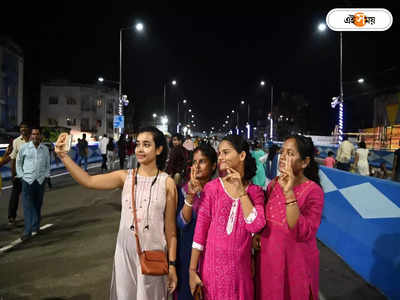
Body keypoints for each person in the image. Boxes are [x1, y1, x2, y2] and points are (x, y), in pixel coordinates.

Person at [55, 126, 178, 299]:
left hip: (154, 256)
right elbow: (88, 181)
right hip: (125, 253)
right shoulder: (124, 177)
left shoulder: (167, 183)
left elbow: (171, 232)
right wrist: (63, 156)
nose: (140, 149)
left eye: (147, 144)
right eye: (138, 144)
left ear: (159, 149)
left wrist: (172, 265)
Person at [189, 135, 266, 299]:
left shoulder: (255, 193)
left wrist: (241, 193)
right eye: (219, 153)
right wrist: (192, 270)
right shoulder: (212, 189)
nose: (220, 157)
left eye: (226, 152)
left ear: (242, 155)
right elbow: (199, 234)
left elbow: (256, 225)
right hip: (212, 275)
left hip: (240, 277)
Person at [254, 135, 324, 300]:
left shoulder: (313, 192)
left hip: (294, 267)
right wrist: (257, 234)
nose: (283, 157)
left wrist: (289, 192)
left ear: (304, 162)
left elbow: (302, 231)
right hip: (267, 263)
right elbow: (266, 218)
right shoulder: (273, 184)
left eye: (290, 153)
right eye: (282, 151)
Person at [176, 143, 217, 300]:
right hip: (188, 251)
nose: (197, 166)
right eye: (194, 162)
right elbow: (181, 223)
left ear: (213, 166)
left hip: (211, 253)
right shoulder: (184, 190)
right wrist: (191, 197)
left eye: (202, 161)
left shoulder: (219, 191)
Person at [16, 127, 50, 240]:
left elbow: (47, 164)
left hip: (40, 181)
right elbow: (19, 162)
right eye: (33, 134)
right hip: (27, 180)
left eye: (37, 134)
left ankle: (36, 227)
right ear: (31, 136)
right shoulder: (24, 147)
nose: (35, 136)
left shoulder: (44, 149)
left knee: (38, 204)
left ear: (40, 136)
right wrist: (21, 175)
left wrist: (46, 176)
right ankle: (27, 231)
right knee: (27, 206)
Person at [8, 122, 30, 227]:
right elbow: (13, 158)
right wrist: (13, 174)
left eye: (25, 128)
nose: (23, 130)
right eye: (22, 128)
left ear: (28, 129)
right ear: (20, 130)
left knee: (30, 196)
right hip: (19, 174)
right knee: (14, 196)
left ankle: (30, 216)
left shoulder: (33, 140)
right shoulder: (16, 141)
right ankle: (11, 217)